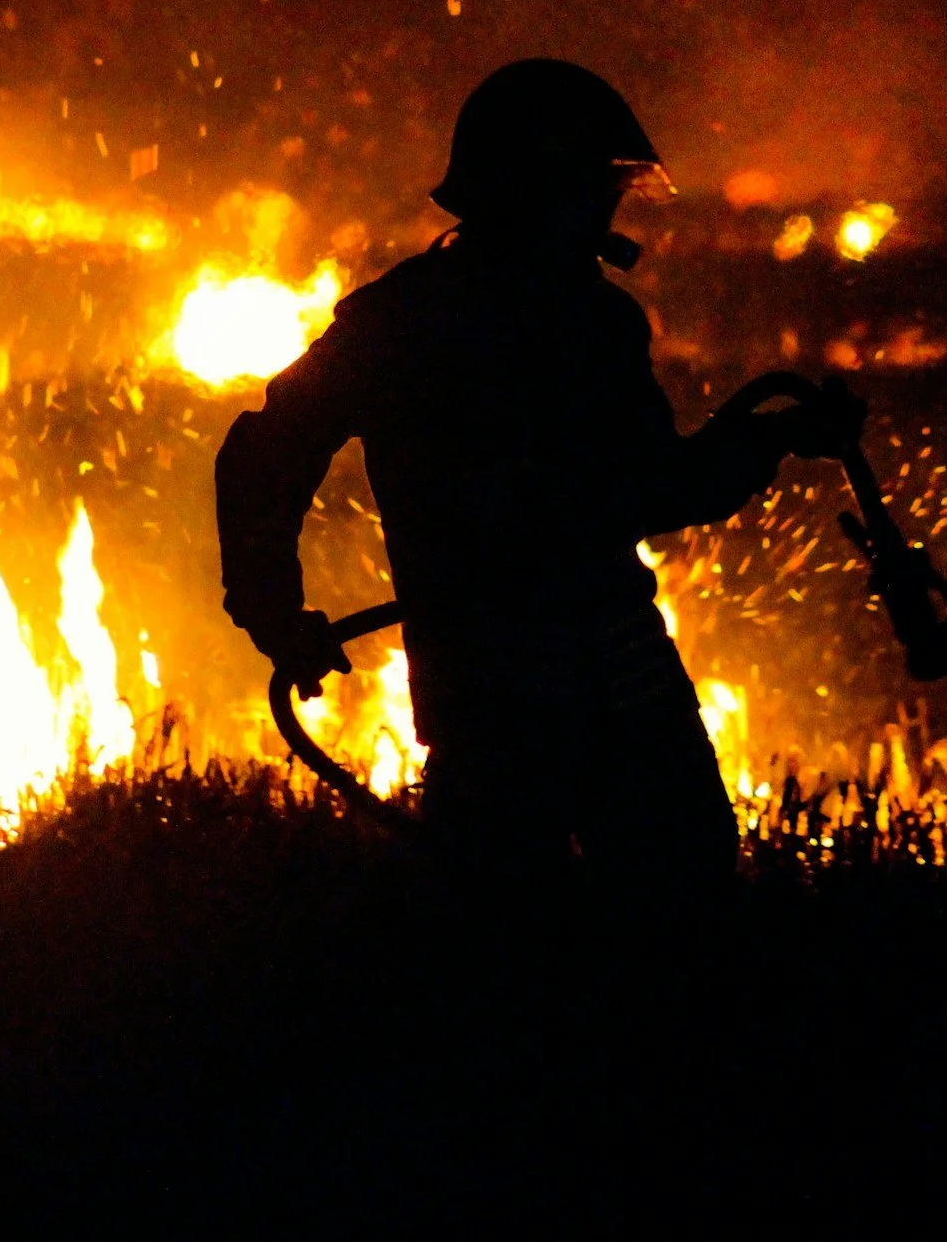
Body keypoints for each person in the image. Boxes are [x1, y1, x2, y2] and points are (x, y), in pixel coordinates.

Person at [214, 59, 839, 893]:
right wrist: (768, 443)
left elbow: (266, 451)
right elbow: (657, 488)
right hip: (534, 702)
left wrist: (272, 607)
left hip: (567, 689)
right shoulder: (540, 323)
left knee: (543, 934)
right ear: (536, 188)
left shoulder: (429, 319)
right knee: (613, 931)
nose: (605, 211)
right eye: (591, 187)